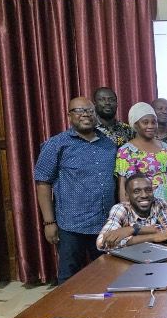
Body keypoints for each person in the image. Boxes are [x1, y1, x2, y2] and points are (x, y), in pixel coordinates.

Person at [34, 96, 116, 283]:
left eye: (89, 110)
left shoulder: (108, 144)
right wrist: (49, 223)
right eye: (79, 111)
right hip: (71, 226)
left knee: (107, 277)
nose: (85, 114)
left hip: (104, 225)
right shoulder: (56, 144)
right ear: (69, 115)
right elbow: (42, 182)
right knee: (69, 280)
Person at [96, 173, 167, 250]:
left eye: (148, 190)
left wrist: (132, 230)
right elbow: (102, 242)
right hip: (126, 262)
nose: (144, 195)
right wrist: (153, 237)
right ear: (127, 196)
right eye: (136, 191)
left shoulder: (159, 203)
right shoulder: (120, 209)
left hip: (156, 256)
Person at [115, 102, 167, 207]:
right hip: (144, 209)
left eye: (154, 122)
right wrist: (126, 211)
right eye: (145, 122)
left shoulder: (166, 148)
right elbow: (123, 186)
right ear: (135, 125)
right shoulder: (126, 151)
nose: (151, 126)